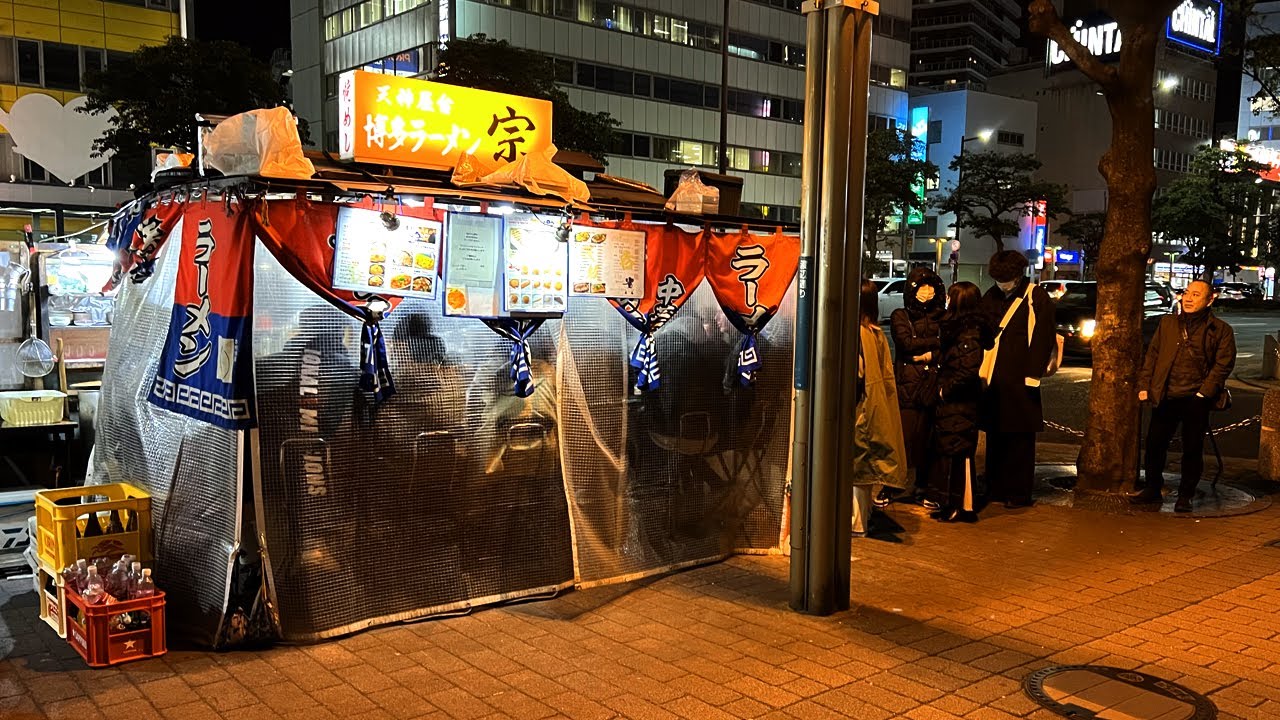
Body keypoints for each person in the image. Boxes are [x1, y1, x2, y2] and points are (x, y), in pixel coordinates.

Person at [1132, 279, 1236, 512]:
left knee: (1192, 448)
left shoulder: (1220, 330)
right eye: (1186, 293)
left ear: (1211, 299)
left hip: (1196, 398)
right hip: (1166, 394)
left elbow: (1223, 364)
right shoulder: (1168, 323)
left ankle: (1185, 494)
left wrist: (1203, 393)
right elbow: (1152, 355)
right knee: (1155, 443)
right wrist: (1145, 384)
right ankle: (1152, 487)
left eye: (1196, 295)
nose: (1188, 298)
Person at [979, 251, 1056, 508]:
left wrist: (1033, 374)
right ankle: (995, 487)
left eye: (1007, 278)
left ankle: (1019, 492)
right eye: (999, 279)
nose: (1003, 284)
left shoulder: (1036, 296)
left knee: (1020, 439)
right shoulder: (990, 296)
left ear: (1018, 275)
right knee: (995, 436)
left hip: (1021, 379)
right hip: (993, 378)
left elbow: (1044, 336)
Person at [929, 282, 994, 522]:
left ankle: (958, 505)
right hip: (958, 401)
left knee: (957, 452)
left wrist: (946, 391)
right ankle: (956, 503)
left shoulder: (968, 333)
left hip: (959, 401)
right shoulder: (962, 329)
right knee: (953, 450)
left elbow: (966, 369)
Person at [882, 267, 945, 509]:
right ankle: (891, 486)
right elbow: (906, 343)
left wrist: (928, 354)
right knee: (904, 439)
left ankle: (924, 487)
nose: (926, 292)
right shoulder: (901, 315)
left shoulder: (942, 316)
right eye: (921, 287)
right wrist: (934, 346)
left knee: (928, 440)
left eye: (931, 287)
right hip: (908, 384)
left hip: (933, 384)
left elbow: (947, 345)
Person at [852, 279, 908, 536]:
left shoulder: (857, 335)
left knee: (857, 470)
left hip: (859, 410)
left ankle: (856, 524)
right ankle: (862, 520)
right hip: (874, 408)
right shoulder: (875, 333)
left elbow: (857, 374)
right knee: (863, 471)